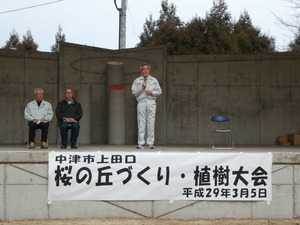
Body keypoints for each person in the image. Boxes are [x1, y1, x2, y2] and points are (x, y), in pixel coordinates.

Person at [132, 63, 162, 149]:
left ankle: (150, 143)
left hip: (151, 102)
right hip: (141, 102)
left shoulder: (154, 80)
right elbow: (134, 93)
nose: (145, 70)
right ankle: (140, 143)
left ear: (150, 70)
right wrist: (141, 87)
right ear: (141, 71)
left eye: (147, 69)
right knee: (141, 122)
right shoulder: (137, 81)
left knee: (151, 122)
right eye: (143, 69)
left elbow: (159, 92)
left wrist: (152, 92)